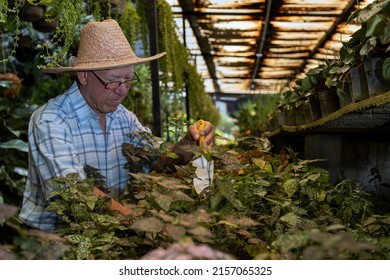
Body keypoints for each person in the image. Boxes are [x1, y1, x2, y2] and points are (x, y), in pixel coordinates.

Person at [19, 19, 214, 232]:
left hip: (107, 232)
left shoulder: (123, 117)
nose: (122, 91)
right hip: (53, 243)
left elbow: (158, 157)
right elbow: (74, 192)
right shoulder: (51, 120)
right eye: (113, 81)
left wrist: (189, 144)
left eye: (128, 79)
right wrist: (141, 223)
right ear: (83, 75)